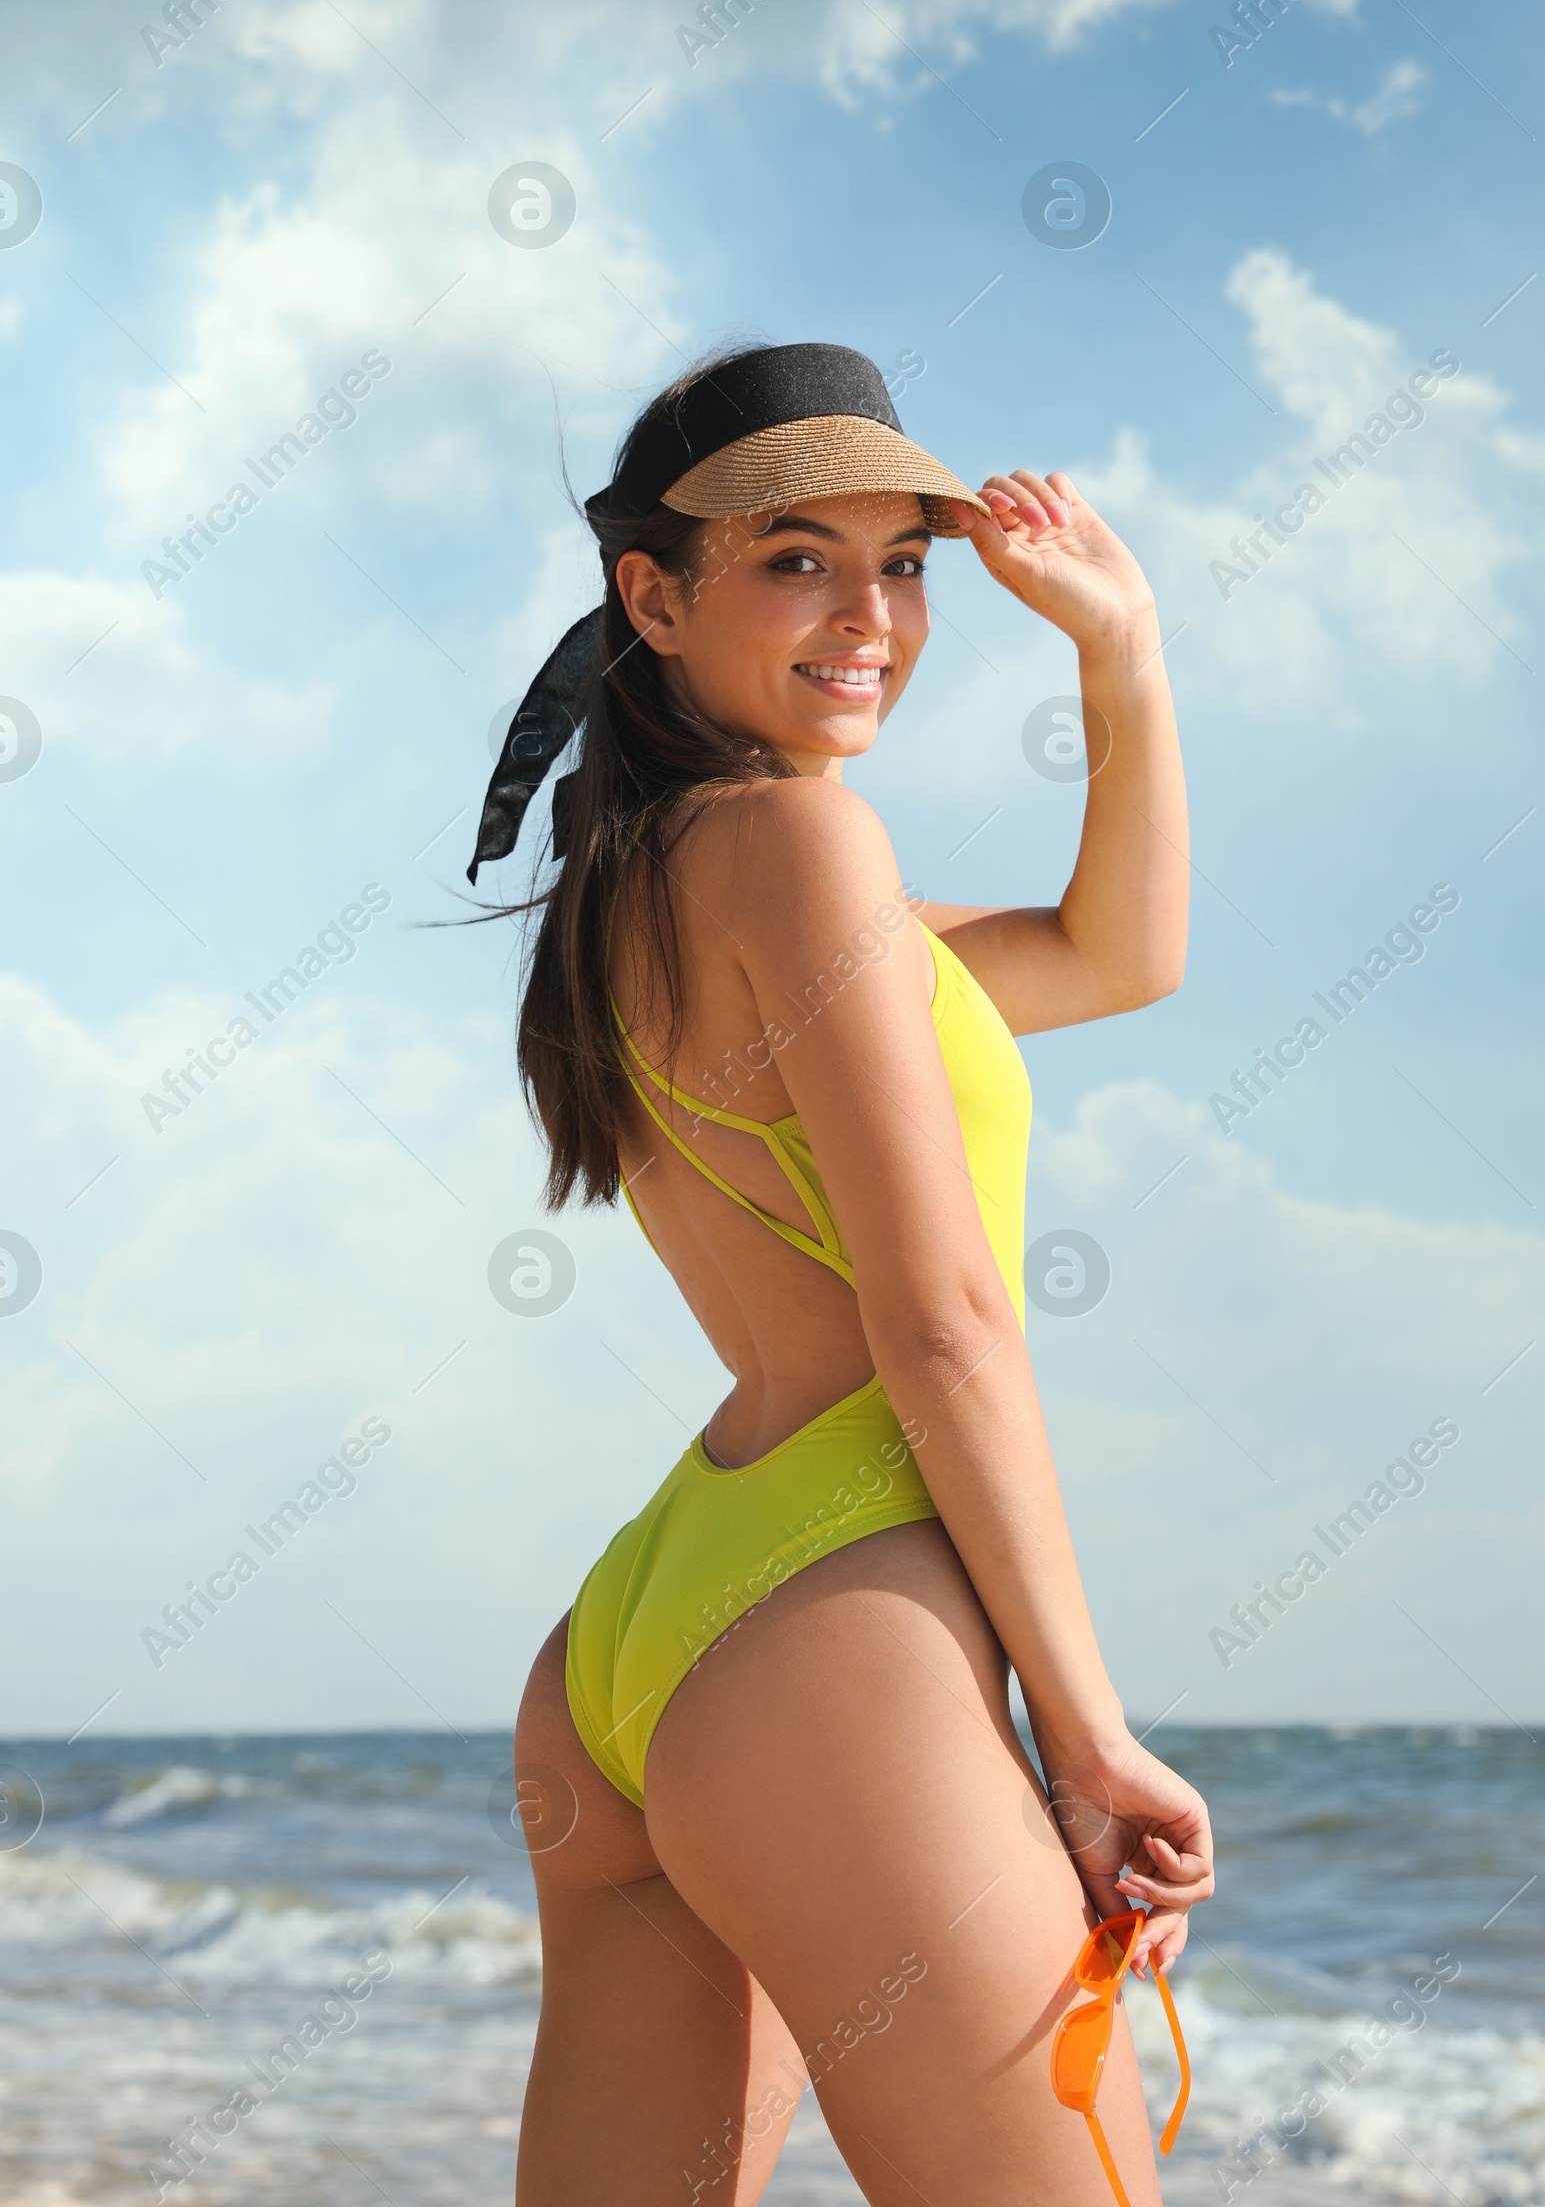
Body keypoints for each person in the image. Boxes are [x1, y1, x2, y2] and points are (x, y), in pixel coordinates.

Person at [467, 342, 1214, 2204]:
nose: (869, 614)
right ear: (655, 596)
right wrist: (1089, 1731)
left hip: (645, 1644)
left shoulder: (634, 885)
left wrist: (1119, 665)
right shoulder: (803, 841)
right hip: (829, 1619)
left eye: (905, 564)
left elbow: (1115, 956)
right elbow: (942, 1317)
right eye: (796, 557)